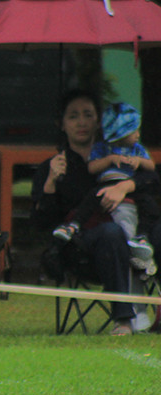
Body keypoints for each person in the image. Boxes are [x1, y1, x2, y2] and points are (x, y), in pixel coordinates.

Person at [31, 90, 159, 336]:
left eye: (87, 115)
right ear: (62, 124)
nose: (81, 122)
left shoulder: (120, 151)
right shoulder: (56, 165)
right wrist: (50, 182)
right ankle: (124, 319)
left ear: (98, 121)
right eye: (73, 116)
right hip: (85, 245)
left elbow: (153, 180)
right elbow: (40, 222)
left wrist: (126, 186)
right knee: (111, 233)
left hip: (132, 232)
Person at [52, 102, 158, 272]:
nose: (138, 135)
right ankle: (73, 226)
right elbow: (92, 167)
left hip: (131, 187)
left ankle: (142, 237)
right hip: (106, 185)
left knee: (148, 205)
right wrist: (109, 159)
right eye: (134, 131)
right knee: (91, 199)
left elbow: (151, 168)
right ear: (121, 133)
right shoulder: (102, 148)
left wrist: (139, 162)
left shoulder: (137, 149)